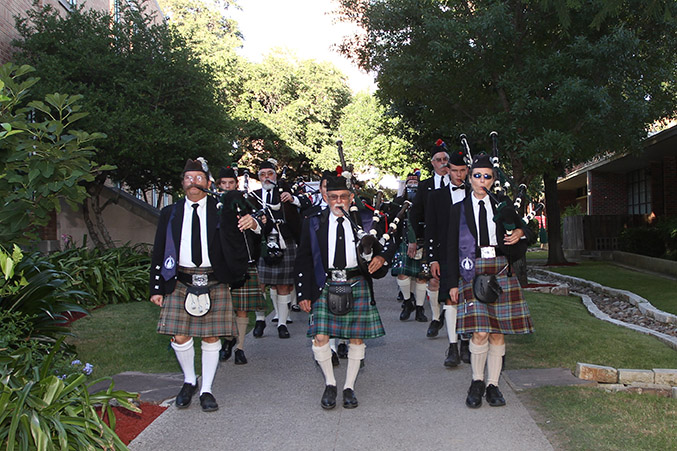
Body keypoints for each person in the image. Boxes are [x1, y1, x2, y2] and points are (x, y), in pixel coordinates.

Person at [149, 158, 250, 412]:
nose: (193, 183)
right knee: (180, 336)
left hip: (213, 279)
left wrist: (255, 222)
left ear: (208, 182)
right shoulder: (170, 212)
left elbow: (251, 228)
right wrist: (156, 287)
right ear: (182, 183)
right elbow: (159, 250)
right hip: (181, 279)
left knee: (211, 335)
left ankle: (207, 389)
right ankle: (189, 380)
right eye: (188, 178)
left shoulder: (221, 209)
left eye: (198, 178)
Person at [443, 153, 534, 408]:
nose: (482, 180)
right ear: (469, 178)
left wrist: (519, 232)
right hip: (471, 270)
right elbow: (450, 247)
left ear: (493, 180)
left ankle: (493, 385)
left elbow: (527, 233)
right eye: (477, 176)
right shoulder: (458, 209)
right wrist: (451, 282)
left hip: (500, 269)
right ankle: (477, 380)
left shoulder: (502, 205)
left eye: (487, 176)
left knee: (498, 333)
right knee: (480, 332)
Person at [295, 174, 390, 410]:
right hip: (324, 284)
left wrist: (381, 256)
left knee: (356, 338)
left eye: (344, 197)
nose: (339, 201)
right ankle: (330, 383)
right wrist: (302, 293)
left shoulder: (366, 220)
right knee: (320, 337)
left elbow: (388, 244)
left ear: (351, 198)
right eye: (334, 197)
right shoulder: (314, 221)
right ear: (326, 197)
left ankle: (349, 387)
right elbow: (304, 258)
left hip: (356, 283)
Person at [252, 159, 309, 339]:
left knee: (284, 285)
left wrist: (293, 199)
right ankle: (260, 320)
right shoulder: (253, 197)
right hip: (262, 244)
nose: (267, 178)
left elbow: (306, 203)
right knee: (259, 285)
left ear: (275, 176)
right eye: (263, 175)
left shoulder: (285, 193)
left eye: (270, 174)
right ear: (259, 178)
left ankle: (282, 324)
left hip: (286, 241)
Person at [216, 166, 267, 364]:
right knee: (224, 308)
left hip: (243, 261)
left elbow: (260, 226)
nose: (228, 187)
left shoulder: (245, 202)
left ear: (236, 184)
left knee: (242, 308)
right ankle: (229, 339)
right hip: (221, 262)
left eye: (231, 183)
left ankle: (240, 347)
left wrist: (254, 222)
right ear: (218, 185)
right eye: (224, 184)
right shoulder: (213, 204)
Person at [425, 147, 471, 366]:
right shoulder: (436, 197)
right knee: (450, 298)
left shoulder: (475, 194)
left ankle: (465, 343)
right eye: (455, 170)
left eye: (463, 171)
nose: (459, 175)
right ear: (448, 170)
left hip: (471, 255)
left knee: (468, 299)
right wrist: (432, 258)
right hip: (446, 255)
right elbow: (431, 229)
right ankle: (452, 346)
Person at [408, 140, 451, 328]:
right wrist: (413, 240)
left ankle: (450, 315)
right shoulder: (425, 186)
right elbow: (415, 214)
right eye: (439, 160)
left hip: (454, 239)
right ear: (432, 163)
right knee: (432, 278)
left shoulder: (459, 184)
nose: (443, 163)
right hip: (431, 237)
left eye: (445, 159)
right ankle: (436, 317)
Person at [389, 171, 430, 322]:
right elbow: (392, 216)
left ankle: (419, 308)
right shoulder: (399, 200)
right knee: (402, 273)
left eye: (415, 182)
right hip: (403, 241)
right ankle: (408, 303)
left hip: (423, 240)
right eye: (410, 182)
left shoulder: (426, 199)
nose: (412, 185)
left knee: (421, 277)